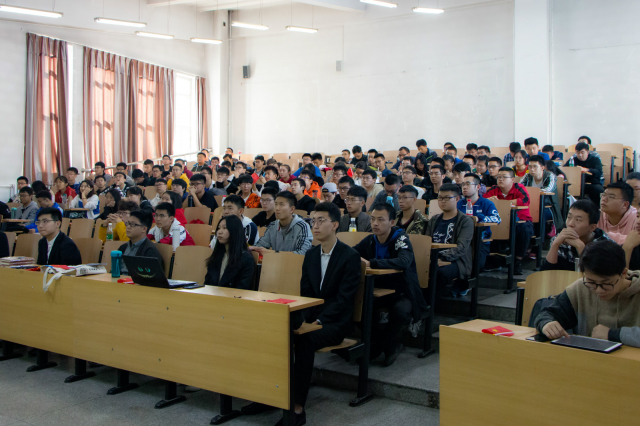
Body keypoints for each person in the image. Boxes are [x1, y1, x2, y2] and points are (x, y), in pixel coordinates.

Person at [283, 202, 361, 425]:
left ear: (335, 225)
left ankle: (297, 407)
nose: (315, 226)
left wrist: (318, 320)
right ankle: (273, 396)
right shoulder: (310, 254)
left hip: (335, 322)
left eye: (320, 221)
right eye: (313, 221)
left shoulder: (350, 256)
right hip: (311, 318)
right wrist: (304, 319)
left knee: (305, 340)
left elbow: (344, 299)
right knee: (278, 332)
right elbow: (306, 293)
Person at [354, 203, 428, 366]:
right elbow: (353, 253)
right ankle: (377, 345)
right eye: (373, 219)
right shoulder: (370, 240)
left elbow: (403, 261)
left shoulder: (401, 239)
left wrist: (372, 263)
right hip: (379, 290)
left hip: (403, 291)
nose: (375, 223)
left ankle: (391, 346)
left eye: (381, 220)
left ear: (392, 222)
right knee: (357, 307)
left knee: (400, 311)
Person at [535, 240, 640, 348]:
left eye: (606, 283)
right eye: (591, 282)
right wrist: (547, 323)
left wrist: (612, 335)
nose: (598, 290)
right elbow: (547, 314)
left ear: (623, 273)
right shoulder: (580, 288)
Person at [425, 184, 474, 297]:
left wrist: (442, 258)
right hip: (434, 258)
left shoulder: (465, 221)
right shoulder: (434, 219)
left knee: (438, 272)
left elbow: (461, 247)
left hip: (456, 261)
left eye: (447, 198)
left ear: (457, 199)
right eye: (440, 198)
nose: (443, 201)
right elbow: (426, 242)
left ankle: (431, 302)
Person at [484, 167, 534, 275]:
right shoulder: (494, 189)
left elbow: (525, 200)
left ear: (512, 179)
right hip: (500, 221)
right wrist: (489, 200)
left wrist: (506, 203)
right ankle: (493, 260)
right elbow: (482, 201)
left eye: (504, 177)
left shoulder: (519, 188)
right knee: (487, 227)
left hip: (520, 220)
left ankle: (517, 261)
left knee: (525, 230)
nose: (500, 179)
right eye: (499, 177)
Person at [541, 200, 612, 271]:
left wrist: (581, 247)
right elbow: (547, 272)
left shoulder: (604, 244)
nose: (570, 224)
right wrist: (555, 245)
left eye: (578, 220)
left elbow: (597, 274)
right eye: (569, 217)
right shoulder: (561, 239)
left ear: (592, 227)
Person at [458, 173, 500, 271]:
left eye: (468, 184)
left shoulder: (487, 203)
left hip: (480, 242)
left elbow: (497, 219)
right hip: (460, 241)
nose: (464, 187)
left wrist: (479, 218)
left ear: (478, 187)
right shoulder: (459, 204)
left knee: (476, 266)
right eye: (463, 184)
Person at [205, 215, 255, 289]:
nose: (219, 232)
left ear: (234, 230)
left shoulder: (246, 259)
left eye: (224, 228)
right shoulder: (217, 255)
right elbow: (207, 284)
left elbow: (243, 288)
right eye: (218, 228)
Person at [520, 155, 565, 231]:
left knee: (540, 214)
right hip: (530, 205)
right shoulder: (527, 176)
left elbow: (549, 189)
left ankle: (540, 237)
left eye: (535, 166)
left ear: (542, 167)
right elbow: (519, 188)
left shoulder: (550, 176)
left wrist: (533, 192)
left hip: (548, 206)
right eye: (530, 167)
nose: (532, 169)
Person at [118, 210, 164, 275]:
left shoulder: (150, 251)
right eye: (128, 223)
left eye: (133, 224)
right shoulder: (123, 248)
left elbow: (153, 277)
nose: (128, 227)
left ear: (144, 229)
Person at [564, 142, 604, 206]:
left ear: (587, 152)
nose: (580, 155)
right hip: (576, 184)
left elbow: (598, 172)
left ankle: (596, 208)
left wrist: (587, 170)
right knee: (564, 188)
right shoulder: (573, 160)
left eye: (582, 152)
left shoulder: (595, 159)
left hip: (591, 184)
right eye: (578, 153)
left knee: (598, 189)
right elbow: (564, 169)